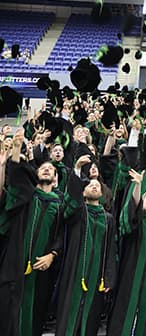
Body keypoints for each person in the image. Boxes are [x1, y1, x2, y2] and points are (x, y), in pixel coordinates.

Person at [0, 129, 63, 336]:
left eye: (50, 169)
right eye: (42, 168)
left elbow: (62, 235)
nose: (46, 170)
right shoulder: (27, 196)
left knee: (36, 312)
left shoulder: (59, 204)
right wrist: (17, 148)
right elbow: (17, 178)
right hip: (16, 262)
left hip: (41, 268)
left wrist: (52, 255)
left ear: (55, 178)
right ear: (35, 175)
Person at [55, 154, 117, 336]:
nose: (94, 187)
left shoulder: (108, 219)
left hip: (97, 275)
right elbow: (72, 199)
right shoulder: (79, 212)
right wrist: (76, 169)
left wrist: (109, 277)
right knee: (69, 313)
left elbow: (112, 249)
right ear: (83, 192)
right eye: (90, 185)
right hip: (74, 271)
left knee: (90, 318)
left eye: (97, 186)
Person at [108, 169, 146, 336]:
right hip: (131, 273)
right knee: (126, 306)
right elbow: (130, 214)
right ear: (142, 201)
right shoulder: (137, 221)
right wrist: (138, 185)